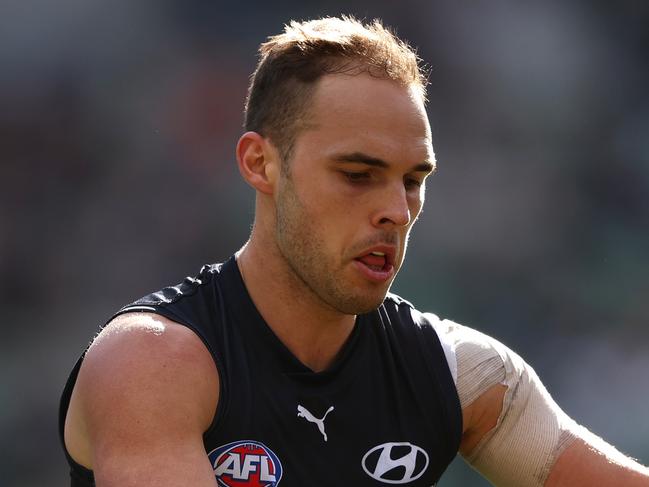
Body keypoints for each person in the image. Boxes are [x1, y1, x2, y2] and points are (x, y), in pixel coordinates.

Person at [59, 16, 649, 487]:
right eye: (358, 174)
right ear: (260, 163)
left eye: (413, 179)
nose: (397, 208)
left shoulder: (463, 375)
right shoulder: (151, 362)